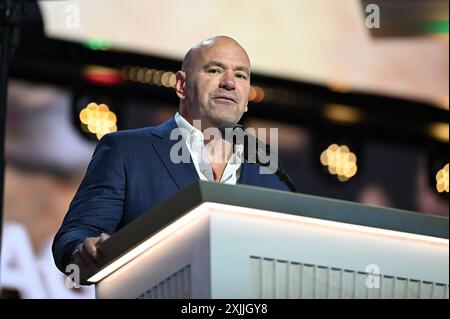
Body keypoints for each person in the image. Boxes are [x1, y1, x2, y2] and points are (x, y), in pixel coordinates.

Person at [52, 36, 294, 275]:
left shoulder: (267, 166)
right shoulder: (126, 151)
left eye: (241, 75)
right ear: (181, 85)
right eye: (214, 70)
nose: (230, 83)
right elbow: (76, 235)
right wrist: (84, 251)